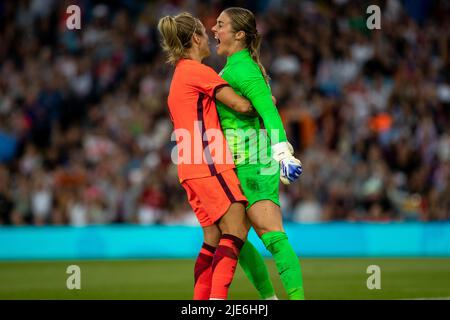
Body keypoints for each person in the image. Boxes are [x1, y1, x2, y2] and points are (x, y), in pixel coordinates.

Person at [157, 12, 270, 300]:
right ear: (195, 39)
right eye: (204, 32)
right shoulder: (198, 71)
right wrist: (264, 101)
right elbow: (242, 107)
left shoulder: (179, 76)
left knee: (212, 239)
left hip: (188, 165)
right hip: (208, 162)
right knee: (236, 231)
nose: (210, 33)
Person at [212, 7, 305, 299]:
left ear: (239, 35)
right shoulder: (232, 68)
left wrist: (282, 154)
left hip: (254, 162)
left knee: (271, 234)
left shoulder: (243, 69)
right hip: (235, 164)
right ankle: (270, 299)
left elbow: (268, 110)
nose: (214, 29)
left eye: (220, 25)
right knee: (231, 236)